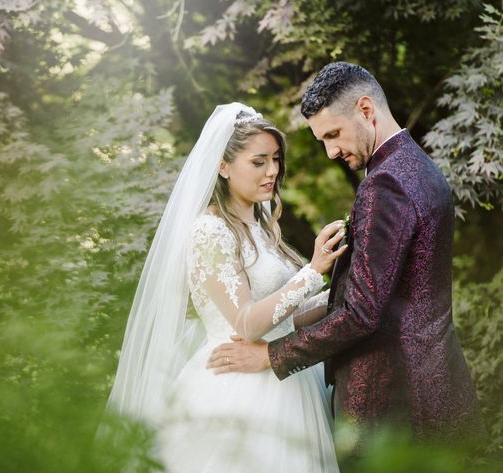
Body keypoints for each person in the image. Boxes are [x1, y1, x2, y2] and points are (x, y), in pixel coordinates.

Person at [207, 63, 483, 446]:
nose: (331, 151)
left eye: (333, 134)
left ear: (366, 110)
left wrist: (272, 356)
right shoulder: (418, 167)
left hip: (393, 401)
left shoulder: (385, 184)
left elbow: (361, 312)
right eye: (322, 140)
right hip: (433, 380)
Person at [107, 102, 343, 473]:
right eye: (259, 161)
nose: (272, 171)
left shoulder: (262, 223)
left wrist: (341, 289)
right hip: (238, 390)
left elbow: (286, 317)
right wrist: (313, 271)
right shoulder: (210, 231)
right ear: (222, 166)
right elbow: (247, 323)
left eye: (276, 160)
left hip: (287, 378)